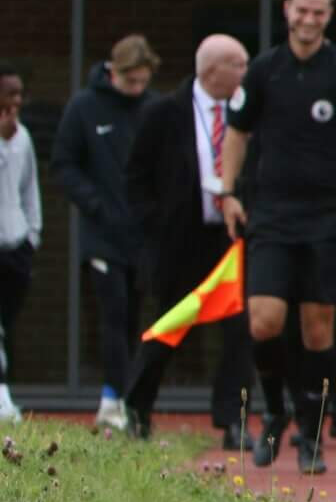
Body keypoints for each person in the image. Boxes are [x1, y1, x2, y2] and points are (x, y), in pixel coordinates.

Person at [217, 0, 336, 474]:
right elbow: (236, 134)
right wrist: (227, 192)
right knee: (263, 320)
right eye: (301, 11)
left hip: (328, 218)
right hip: (271, 216)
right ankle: (275, 407)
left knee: (317, 328)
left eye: (318, 13)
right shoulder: (265, 70)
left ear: (329, 15)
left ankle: (312, 431)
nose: (308, 21)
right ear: (287, 10)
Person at [123, 35, 257, 446]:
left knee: (239, 330)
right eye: (239, 64)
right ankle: (138, 407)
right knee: (170, 323)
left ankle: (233, 421)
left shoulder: (248, 114)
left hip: (230, 238)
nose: (246, 73)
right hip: (180, 241)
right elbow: (135, 176)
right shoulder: (163, 112)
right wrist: (156, 224)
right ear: (212, 70)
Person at [54, 33, 155, 432]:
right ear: (114, 71)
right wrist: (96, 205)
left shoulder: (153, 108)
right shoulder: (84, 107)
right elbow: (64, 165)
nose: (136, 90)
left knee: (135, 318)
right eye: (131, 82)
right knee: (112, 314)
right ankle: (114, 399)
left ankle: (127, 399)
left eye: (143, 83)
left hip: (143, 237)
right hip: (102, 235)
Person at [0, 62, 37, 424]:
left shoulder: (23, 137)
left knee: (6, 327)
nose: (17, 99)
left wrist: (32, 235)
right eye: (10, 92)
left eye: (19, 93)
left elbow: (29, 190)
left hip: (15, 248)